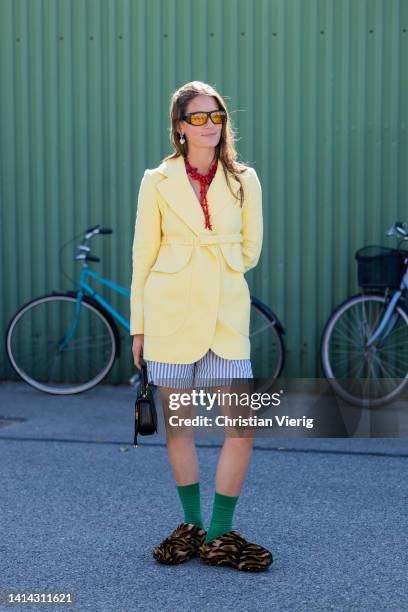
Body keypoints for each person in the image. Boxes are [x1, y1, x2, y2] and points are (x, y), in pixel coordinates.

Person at [130, 80, 272, 571]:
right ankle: (191, 525)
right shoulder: (157, 180)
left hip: (227, 316)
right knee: (180, 431)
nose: (210, 124)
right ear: (179, 126)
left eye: (217, 116)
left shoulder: (243, 179)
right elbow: (142, 258)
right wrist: (138, 327)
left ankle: (218, 533)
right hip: (167, 315)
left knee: (241, 429)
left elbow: (251, 250)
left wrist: (214, 256)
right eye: (199, 117)